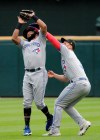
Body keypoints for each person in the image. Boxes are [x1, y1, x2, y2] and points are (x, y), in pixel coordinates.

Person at [12, 11, 53, 136]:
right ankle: (27, 127)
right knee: (26, 102)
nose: (29, 31)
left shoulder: (41, 39)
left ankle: (50, 117)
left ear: (35, 32)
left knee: (39, 103)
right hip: (27, 75)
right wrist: (19, 24)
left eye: (31, 30)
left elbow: (44, 27)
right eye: (27, 30)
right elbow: (14, 38)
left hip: (39, 73)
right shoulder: (25, 44)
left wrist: (33, 16)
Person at [43, 32, 91, 136]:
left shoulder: (68, 52)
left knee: (58, 103)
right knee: (67, 106)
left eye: (66, 42)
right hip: (85, 85)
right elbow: (65, 78)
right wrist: (55, 75)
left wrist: (45, 32)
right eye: (63, 42)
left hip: (78, 83)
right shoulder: (67, 58)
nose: (63, 43)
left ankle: (55, 130)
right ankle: (83, 123)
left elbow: (54, 42)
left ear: (70, 46)